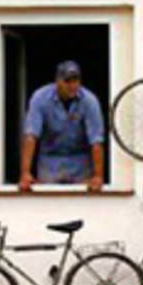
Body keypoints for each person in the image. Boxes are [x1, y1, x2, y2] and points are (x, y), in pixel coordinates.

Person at [20, 60, 105, 192]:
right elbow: (31, 136)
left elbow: (96, 141)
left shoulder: (89, 101)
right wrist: (25, 173)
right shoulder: (40, 98)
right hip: (49, 160)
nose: (72, 85)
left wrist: (98, 176)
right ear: (57, 81)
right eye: (67, 81)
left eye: (75, 81)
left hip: (80, 160)